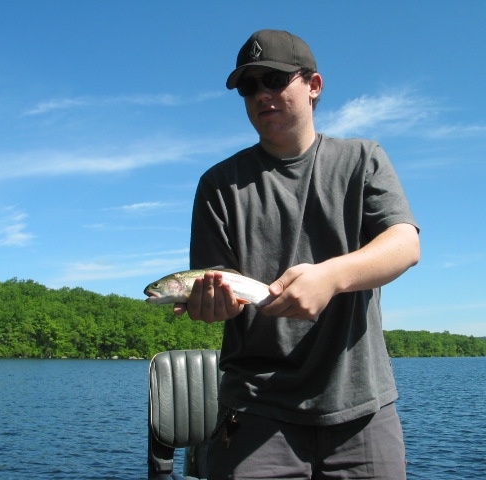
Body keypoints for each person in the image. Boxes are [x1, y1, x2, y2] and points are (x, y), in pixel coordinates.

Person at [173, 29, 420, 480]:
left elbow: (404, 243)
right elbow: (213, 289)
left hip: (362, 407)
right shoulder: (218, 186)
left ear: (314, 85)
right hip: (255, 407)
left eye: (274, 80)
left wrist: (332, 276)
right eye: (249, 87)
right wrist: (209, 309)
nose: (261, 94)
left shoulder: (363, 159)